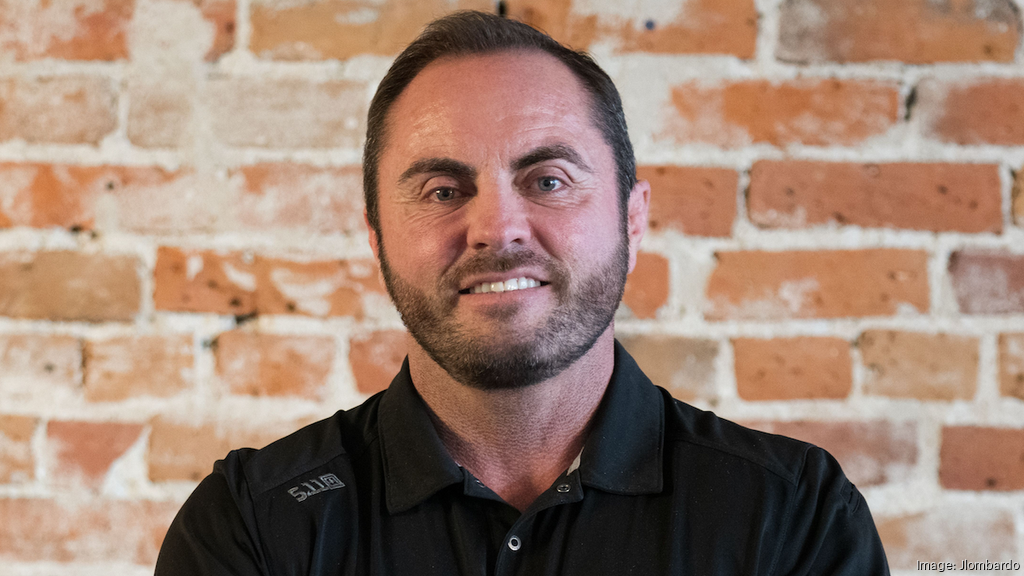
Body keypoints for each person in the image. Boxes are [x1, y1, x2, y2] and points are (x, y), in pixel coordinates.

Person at [155, 11, 890, 575]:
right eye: (443, 190)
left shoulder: (793, 519)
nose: (496, 229)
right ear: (376, 235)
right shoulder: (254, 529)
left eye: (548, 181)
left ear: (633, 219)